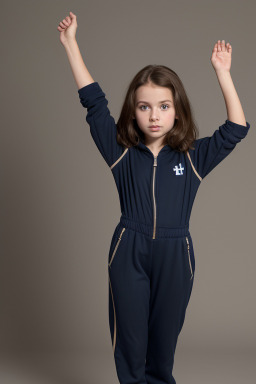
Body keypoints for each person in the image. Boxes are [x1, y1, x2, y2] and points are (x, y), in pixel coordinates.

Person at [57, 11, 250, 384]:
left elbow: (236, 128)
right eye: (144, 107)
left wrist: (223, 73)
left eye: (163, 106)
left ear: (177, 112)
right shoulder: (120, 151)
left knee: (162, 345)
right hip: (129, 248)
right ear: (134, 111)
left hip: (177, 254)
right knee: (129, 342)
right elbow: (95, 105)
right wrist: (71, 44)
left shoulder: (193, 158)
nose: (154, 116)